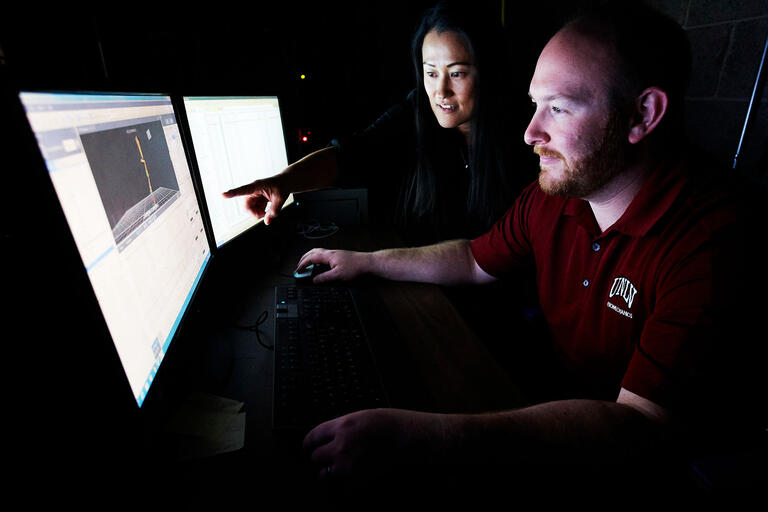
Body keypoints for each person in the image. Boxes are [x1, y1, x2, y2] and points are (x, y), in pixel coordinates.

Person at [296, 2, 765, 504]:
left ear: (642, 114)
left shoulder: (713, 240)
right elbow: (475, 258)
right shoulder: (558, 191)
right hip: (567, 417)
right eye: (534, 104)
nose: (530, 133)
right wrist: (365, 261)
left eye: (558, 108)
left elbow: (640, 426)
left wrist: (426, 437)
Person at [222, 1, 534, 246]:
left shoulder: (529, 137)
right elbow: (351, 154)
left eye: (457, 73)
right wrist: (284, 181)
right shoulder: (418, 110)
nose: (440, 91)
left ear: (488, 71)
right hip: (430, 292)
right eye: (431, 72)